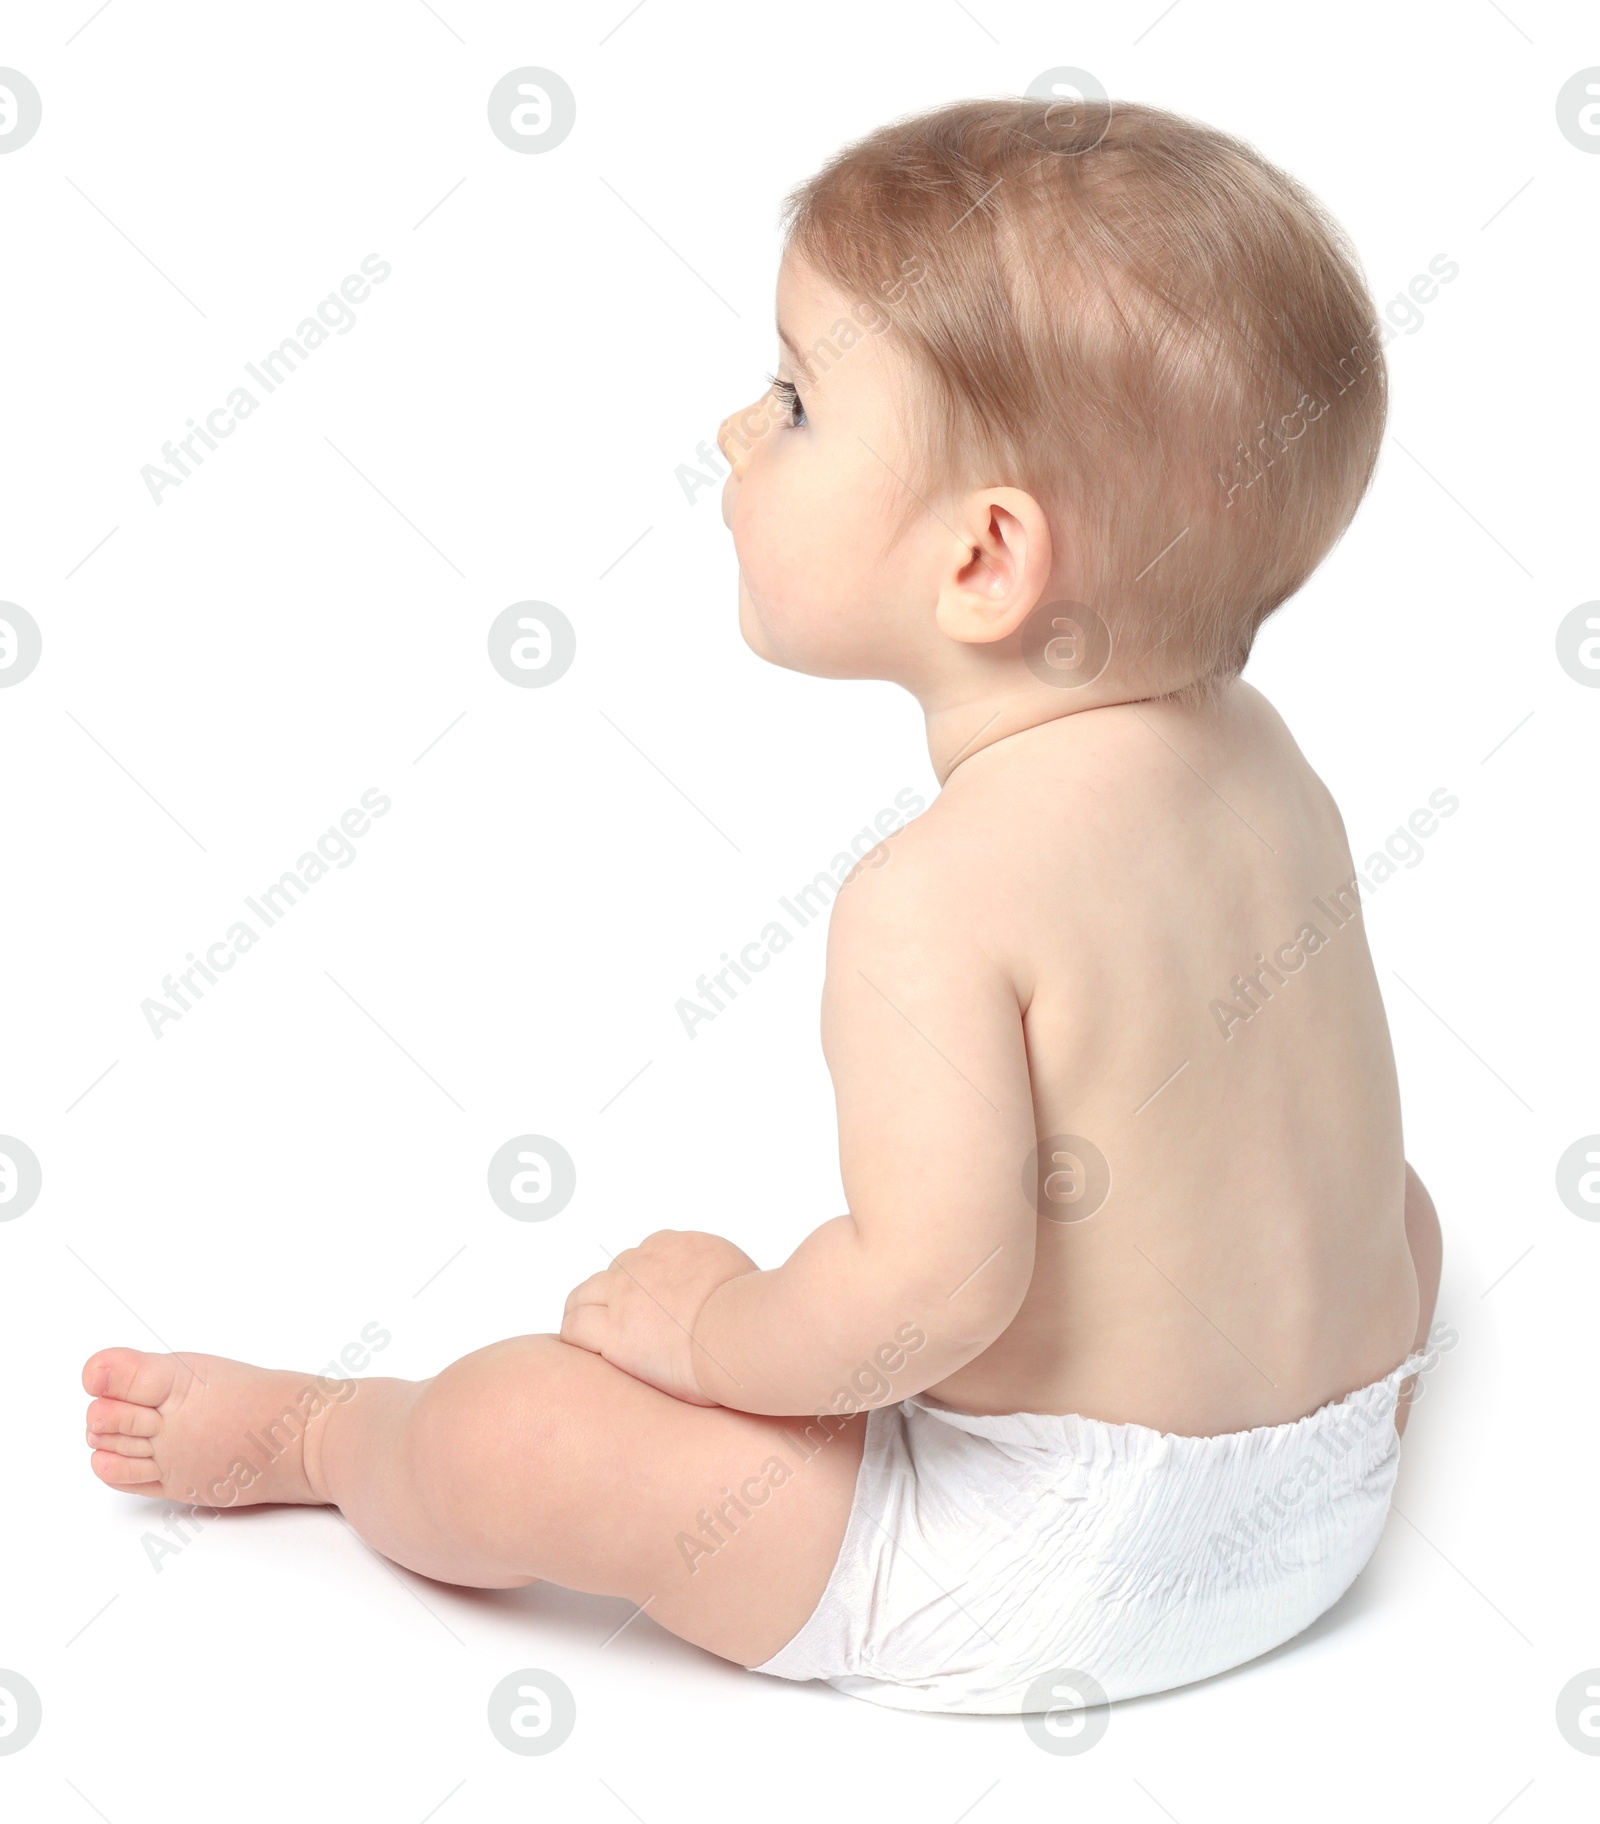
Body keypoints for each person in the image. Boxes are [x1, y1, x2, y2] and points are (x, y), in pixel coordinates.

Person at [83, 97, 1444, 1714]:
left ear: (984, 562)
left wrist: (717, 1330)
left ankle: (327, 1437)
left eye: (796, 399)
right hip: (1338, 1472)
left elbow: (928, 1303)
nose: (738, 429)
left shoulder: (930, 905)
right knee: (1360, 1186)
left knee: (524, 1429)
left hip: (1057, 1578)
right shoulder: (1265, 763)